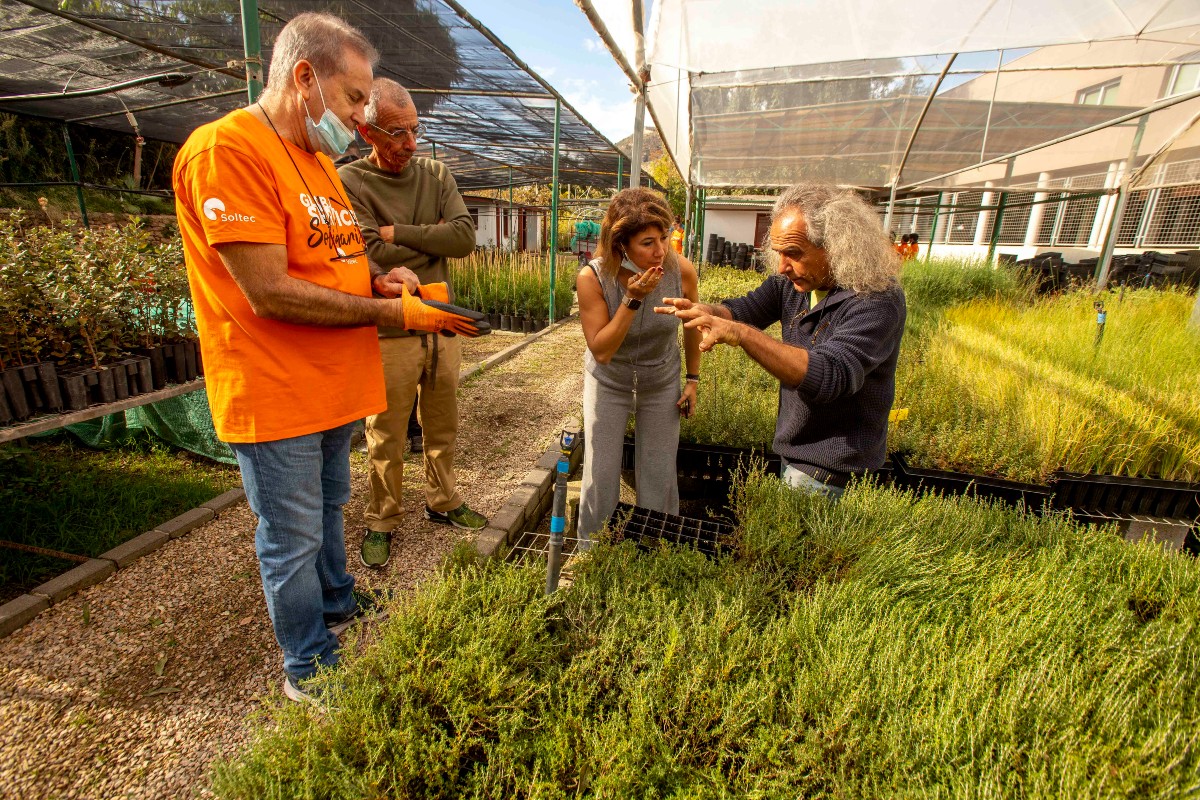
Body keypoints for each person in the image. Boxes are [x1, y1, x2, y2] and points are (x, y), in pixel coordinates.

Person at [172, 12, 478, 704]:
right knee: (290, 533)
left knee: (333, 503)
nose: (358, 118)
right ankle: (306, 663)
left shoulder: (316, 164)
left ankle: (338, 600)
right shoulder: (227, 150)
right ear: (304, 78)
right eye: (352, 100)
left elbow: (340, 256)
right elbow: (271, 291)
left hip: (334, 379)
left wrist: (382, 279)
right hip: (275, 387)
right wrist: (392, 312)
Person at [656, 183, 905, 501]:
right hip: (795, 452)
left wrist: (742, 334)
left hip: (832, 468)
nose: (783, 266)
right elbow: (744, 310)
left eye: (794, 253)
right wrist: (708, 311)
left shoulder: (876, 299)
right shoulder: (794, 283)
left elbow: (830, 375)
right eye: (780, 254)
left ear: (836, 245)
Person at [339, 77, 488, 569]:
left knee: (442, 423)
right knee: (386, 433)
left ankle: (442, 502)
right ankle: (382, 517)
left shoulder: (436, 173)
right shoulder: (351, 181)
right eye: (395, 134)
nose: (408, 144)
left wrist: (397, 232)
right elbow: (368, 251)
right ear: (368, 133)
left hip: (441, 325)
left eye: (414, 131)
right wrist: (426, 239)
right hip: (390, 330)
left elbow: (464, 238)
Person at [577, 188, 701, 543]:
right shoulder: (593, 278)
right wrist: (632, 299)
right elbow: (601, 349)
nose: (661, 250)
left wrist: (692, 380)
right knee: (600, 471)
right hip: (609, 380)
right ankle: (594, 553)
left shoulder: (682, 272)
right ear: (621, 245)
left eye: (663, 238)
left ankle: (658, 551)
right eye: (648, 242)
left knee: (659, 471)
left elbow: (692, 327)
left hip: (661, 379)